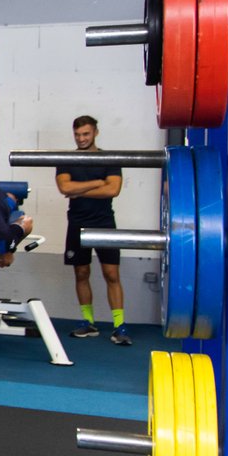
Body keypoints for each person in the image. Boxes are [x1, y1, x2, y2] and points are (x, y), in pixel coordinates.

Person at [55, 115, 130, 344]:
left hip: (105, 222)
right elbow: (64, 187)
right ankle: (88, 323)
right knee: (81, 273)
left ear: (95, 132)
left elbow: (113, 190)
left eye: (86, 134)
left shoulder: (109, 158)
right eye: (77, 135)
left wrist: (79, 191)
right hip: (77, 223)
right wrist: (98, 182)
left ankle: (119, 326)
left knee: (111, 274)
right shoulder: (67, 159)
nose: (81, 138)